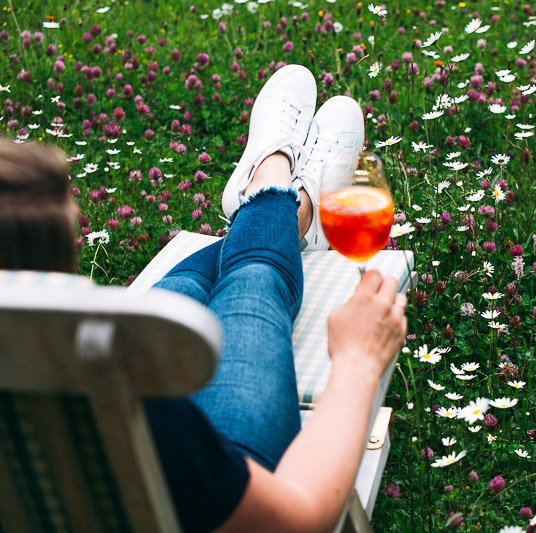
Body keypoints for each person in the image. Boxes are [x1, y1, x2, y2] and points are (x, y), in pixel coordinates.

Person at [0, 64, 407, 532]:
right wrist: (359, 359)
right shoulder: (128, 416)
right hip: (219, 488)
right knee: (255, 282)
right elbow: (298, 517)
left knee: (180, 301)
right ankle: (282, 198)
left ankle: (271, 193)